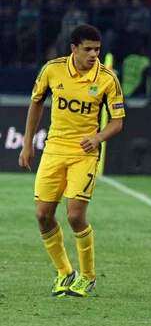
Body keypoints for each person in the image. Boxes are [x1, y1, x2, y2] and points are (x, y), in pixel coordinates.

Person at [18, 24, 125, 297]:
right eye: (88, 49)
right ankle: (66, 272)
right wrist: (27, 143)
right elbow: (36, 102)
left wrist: (98, 138)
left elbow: (118, 122)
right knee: (43, 215)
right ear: (73, 48)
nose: (94, 55)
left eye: (97, 49)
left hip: (84, 152)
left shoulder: (107, 79)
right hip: (53, 149)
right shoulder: (52, 70)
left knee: (75, 215)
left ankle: (88, 276)